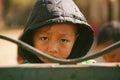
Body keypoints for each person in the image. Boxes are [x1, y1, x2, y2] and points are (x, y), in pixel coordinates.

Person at [17, 0, 94, 63]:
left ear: (75, 40)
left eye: (63, 40)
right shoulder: (24, 72)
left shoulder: (89, 70)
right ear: (31, 38)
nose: (53, 49)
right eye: (44, 38)